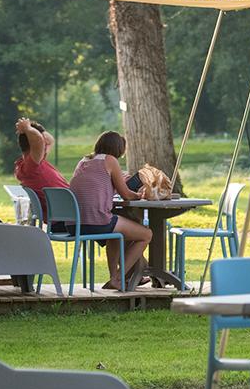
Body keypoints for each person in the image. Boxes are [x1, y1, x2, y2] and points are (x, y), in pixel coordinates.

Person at [68, 131, 152, 289]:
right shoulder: (110, 160)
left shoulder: (84, 160)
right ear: (118, 149)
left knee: (116, 234)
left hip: (74, 223)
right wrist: (139, 195)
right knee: (146, 235)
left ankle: (114, 279)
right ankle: (118, 278)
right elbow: (126, 194)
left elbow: (96, 186)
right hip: (96, 220)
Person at [12, 118, 67, 223]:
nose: (45, 145)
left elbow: (49, 140)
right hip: (68, 220)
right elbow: (38, 140)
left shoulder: (32, 163)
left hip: (68, 217)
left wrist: (32, 129)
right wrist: (27, 128)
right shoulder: (31, 166)